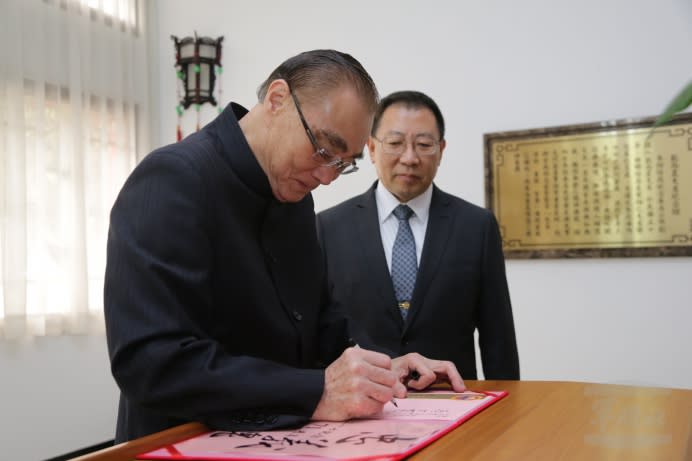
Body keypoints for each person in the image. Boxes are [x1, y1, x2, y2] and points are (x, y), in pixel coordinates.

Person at [104, 51, 465, 443]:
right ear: (277, 99)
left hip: (284, 444)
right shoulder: (172, 180)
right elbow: (153, 364)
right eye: (324, 150)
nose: (328, 177)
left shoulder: (294, 197)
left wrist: (379, 372)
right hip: (182, 443)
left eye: (344, 163)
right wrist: (318, 391)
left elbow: (319, 330)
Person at [316, 91, 519, 380]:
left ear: (441, 150)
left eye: (424, 144)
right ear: (372, 148)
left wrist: (507, 411)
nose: (409, 158)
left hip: (454, 400)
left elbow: (498, 336)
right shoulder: (328, 227)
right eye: (396, 143)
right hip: (363, 404)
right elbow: (317, 330)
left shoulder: (476, 226)